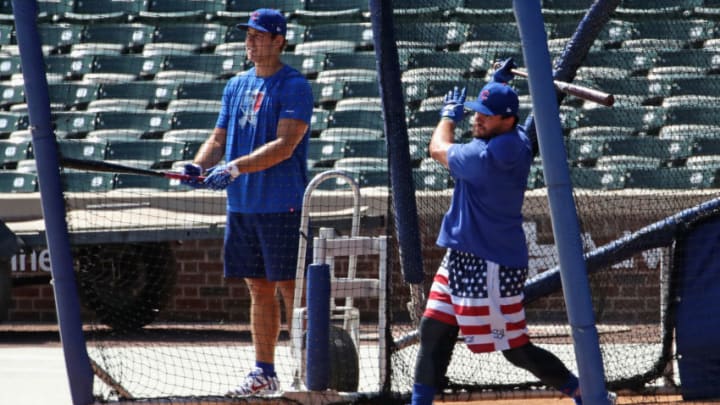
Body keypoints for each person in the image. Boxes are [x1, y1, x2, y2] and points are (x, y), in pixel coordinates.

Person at [410, 59, 614, 405]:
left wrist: (448, 116)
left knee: (515, 348)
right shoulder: (514, 134)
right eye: (477, 112)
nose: (477, 118)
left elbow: (436, 148)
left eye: (486, 115)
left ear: (507, 120)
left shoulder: (491, 155)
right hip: (461, 256)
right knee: (433, 330)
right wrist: (496, 84)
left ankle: (586, 393)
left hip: (490, 263)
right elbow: (500, 118)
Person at [181, 8, 314, 396]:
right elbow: (218, 138)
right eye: (248, 35)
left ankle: (307, 368)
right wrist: (197, 163)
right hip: (242, 207)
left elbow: (286, 145)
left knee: (291, 288)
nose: (250, 42)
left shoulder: (294, 86)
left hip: (282, 205)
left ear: (279, 41)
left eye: (259, 35)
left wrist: (234, 168)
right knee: (258, 287)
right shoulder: (236, 84)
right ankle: (264, 371)